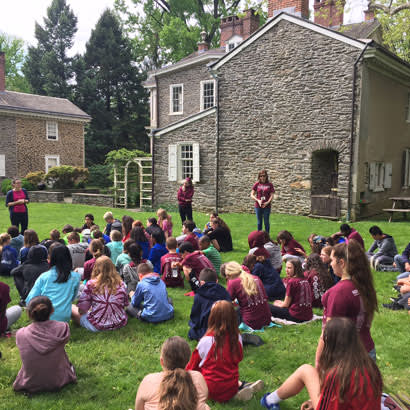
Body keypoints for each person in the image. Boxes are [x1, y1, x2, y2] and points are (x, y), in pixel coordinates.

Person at [260, 318, 382, 410]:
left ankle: (269, 400)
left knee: (305, 370)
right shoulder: (369, 364)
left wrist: (316, 402)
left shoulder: (338, 373)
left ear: (331, 343)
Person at [186, 300, 264, 402]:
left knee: (192, 378)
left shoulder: (206, 341)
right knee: (226, 376)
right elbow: (239, 358)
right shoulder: (238, 338)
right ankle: (240, 387)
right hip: (231, 386)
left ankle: (237, 390)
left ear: (212, 317)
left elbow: (192, 367)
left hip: (209, 390)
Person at [316, 240, 378, 363]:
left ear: (342, 263)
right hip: (368, 351)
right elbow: (368, 321)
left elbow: (328, 333)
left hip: (346, 358)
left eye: (332, 260)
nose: (330, 264)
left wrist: (319, 361)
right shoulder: (365, 286)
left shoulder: (338, 292)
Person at [13, 296, 77, 393]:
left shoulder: (21, 334)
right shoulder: (63, 327)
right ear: (52, 311)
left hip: (30, 382)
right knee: (67, 361)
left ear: (29, 314)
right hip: (58, 380)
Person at [135, 336, 210, 410]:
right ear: (188, 362)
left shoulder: (149, 381)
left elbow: (138, 408)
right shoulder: (198, 378)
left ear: (162, 361)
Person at [72, 256, 128, 332]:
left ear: (96, 268)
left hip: (97, 326)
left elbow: (81, 310)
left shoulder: (91, 284)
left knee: (71, 308)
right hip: (119, 323)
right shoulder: (121, 284)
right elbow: (124, 304)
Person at [26, 245, 81, 323]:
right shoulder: (76, 277)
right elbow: (72, 298)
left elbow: (30, 299)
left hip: (42, 316)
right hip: (64, 317)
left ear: (51, 258)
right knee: (72, 307)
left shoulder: (44, 277)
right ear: (69, 257)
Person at [223, 261, 272, 329]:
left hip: (251, 322)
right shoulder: (256, 277)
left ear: (230, 274)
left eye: (227, 275)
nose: (227, 278)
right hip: (266, 319)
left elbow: (226, 302)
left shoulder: (233, 282)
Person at [188, 268, 231, 341]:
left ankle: (205, 337)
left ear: (201, 283)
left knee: (191, 332)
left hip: (206, 330)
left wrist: (193, 325)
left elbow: (195, 317)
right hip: (224, 330)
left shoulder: (198, 296)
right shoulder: (225, 293)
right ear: (217, 281)